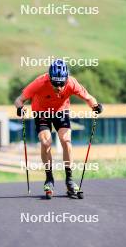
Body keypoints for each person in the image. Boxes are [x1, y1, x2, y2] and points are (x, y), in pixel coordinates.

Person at [15, 59, 103, 198]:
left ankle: (69, 180)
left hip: (61, 111)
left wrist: (95, 106)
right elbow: (19, 99)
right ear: (49, 79)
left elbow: (88, 98)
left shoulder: (72, 83)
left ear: (66, 79)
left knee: (66, 140)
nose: (59, 87)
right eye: (55, 84)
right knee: (46, 142)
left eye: (62, 83)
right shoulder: (39, 82)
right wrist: (20, 108)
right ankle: (49, 179)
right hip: (41, 112)